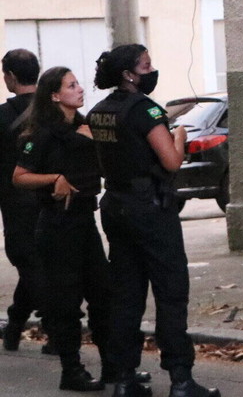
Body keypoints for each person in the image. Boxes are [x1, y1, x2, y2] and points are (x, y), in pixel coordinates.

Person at [87, 44, 219, 397]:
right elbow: (172, 162)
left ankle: (124, 377)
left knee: (126, 295)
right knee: (171, 292)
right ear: (129, 74)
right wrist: (178, 135)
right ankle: (180, 378)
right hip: (150, 209)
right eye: (146, 66)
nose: (151, 70)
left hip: (116, 205)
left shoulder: (99, 111)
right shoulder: (145, 111)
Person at [12, 67, 114, 391]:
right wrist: (53, 179)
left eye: (78, 84)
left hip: (85, 221)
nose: (80, 89)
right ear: (55, 95)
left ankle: (114, 365)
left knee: (102, 294)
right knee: (66, 302)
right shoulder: (41, 133)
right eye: (72, 86)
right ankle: (72, 370)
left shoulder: (84, 126)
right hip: (57, 224)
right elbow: (19, 176)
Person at [0, 48, 49, 352]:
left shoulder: (3, 116)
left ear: (11, 77)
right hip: (53, 199)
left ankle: (54, 326)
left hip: (16, 205)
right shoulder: (54, 111)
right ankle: (17, 323)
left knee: (32, 267)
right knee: (38, 267)